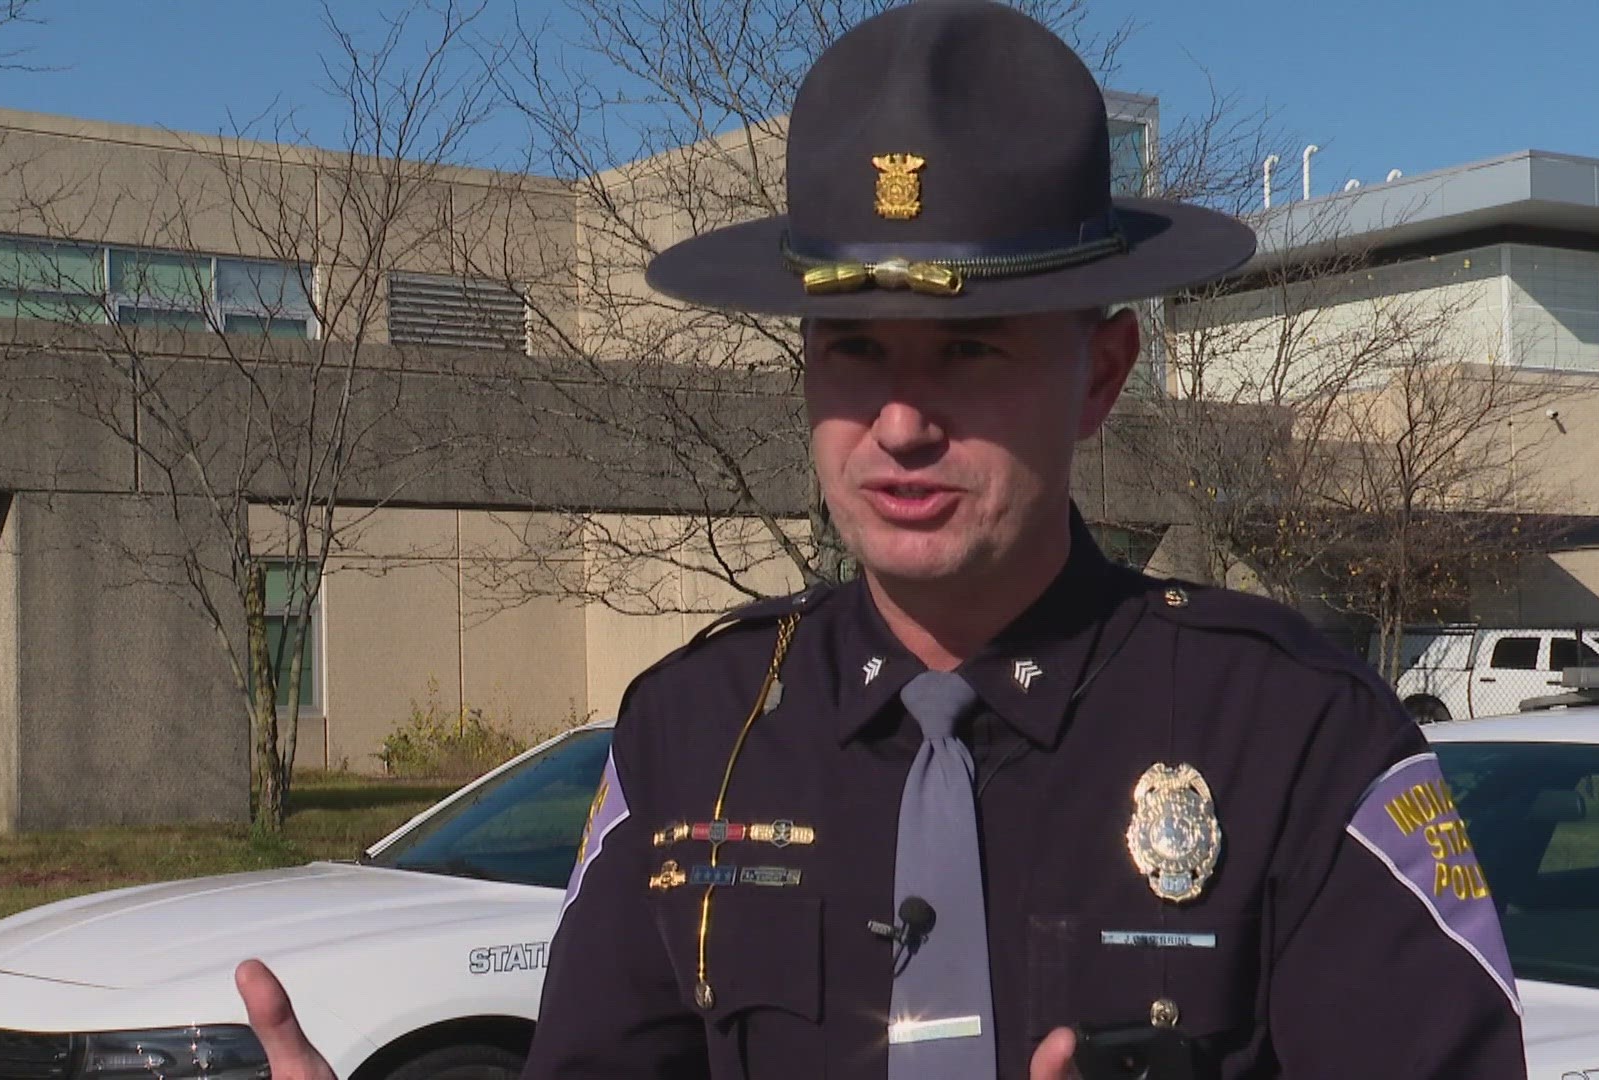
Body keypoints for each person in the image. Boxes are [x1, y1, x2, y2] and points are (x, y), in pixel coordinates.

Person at [237, 2, 1528, 1077]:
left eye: (971, 350)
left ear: (1100, 374)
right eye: (854, 352)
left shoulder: (1291, 726)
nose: (900, 423)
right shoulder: (697, 729)